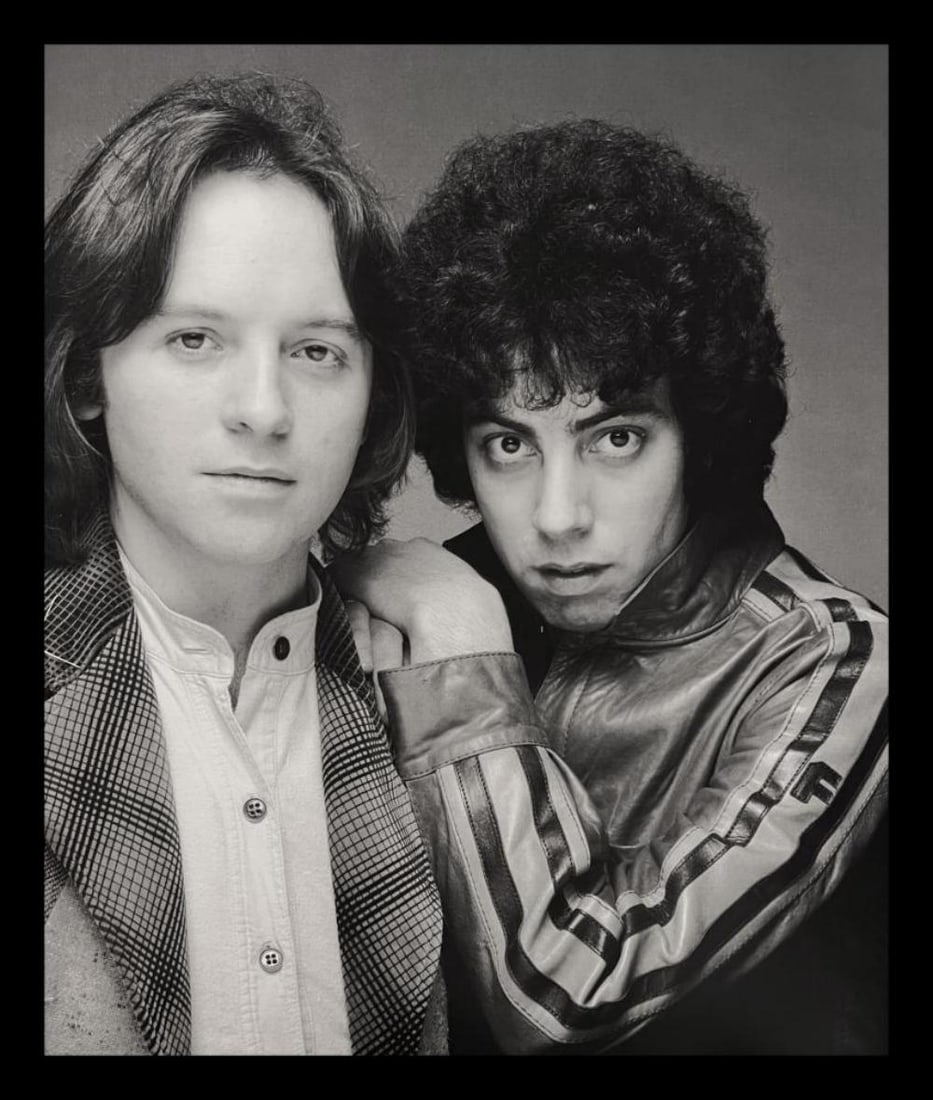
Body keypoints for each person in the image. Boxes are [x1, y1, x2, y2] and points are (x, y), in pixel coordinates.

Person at [334, 120, 889, 1054]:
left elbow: (572, 993)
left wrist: (463, 646)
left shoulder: (834, 663)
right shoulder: (412, 605)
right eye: (509, 444)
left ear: (700, 435)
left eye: (615, 437)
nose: (557, 516)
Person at [43, 73, 445, 1056]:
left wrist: (470, 657)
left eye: (316, 351)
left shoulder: (434, 683)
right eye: (195, 338)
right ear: (89, 377)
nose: (263, 409)